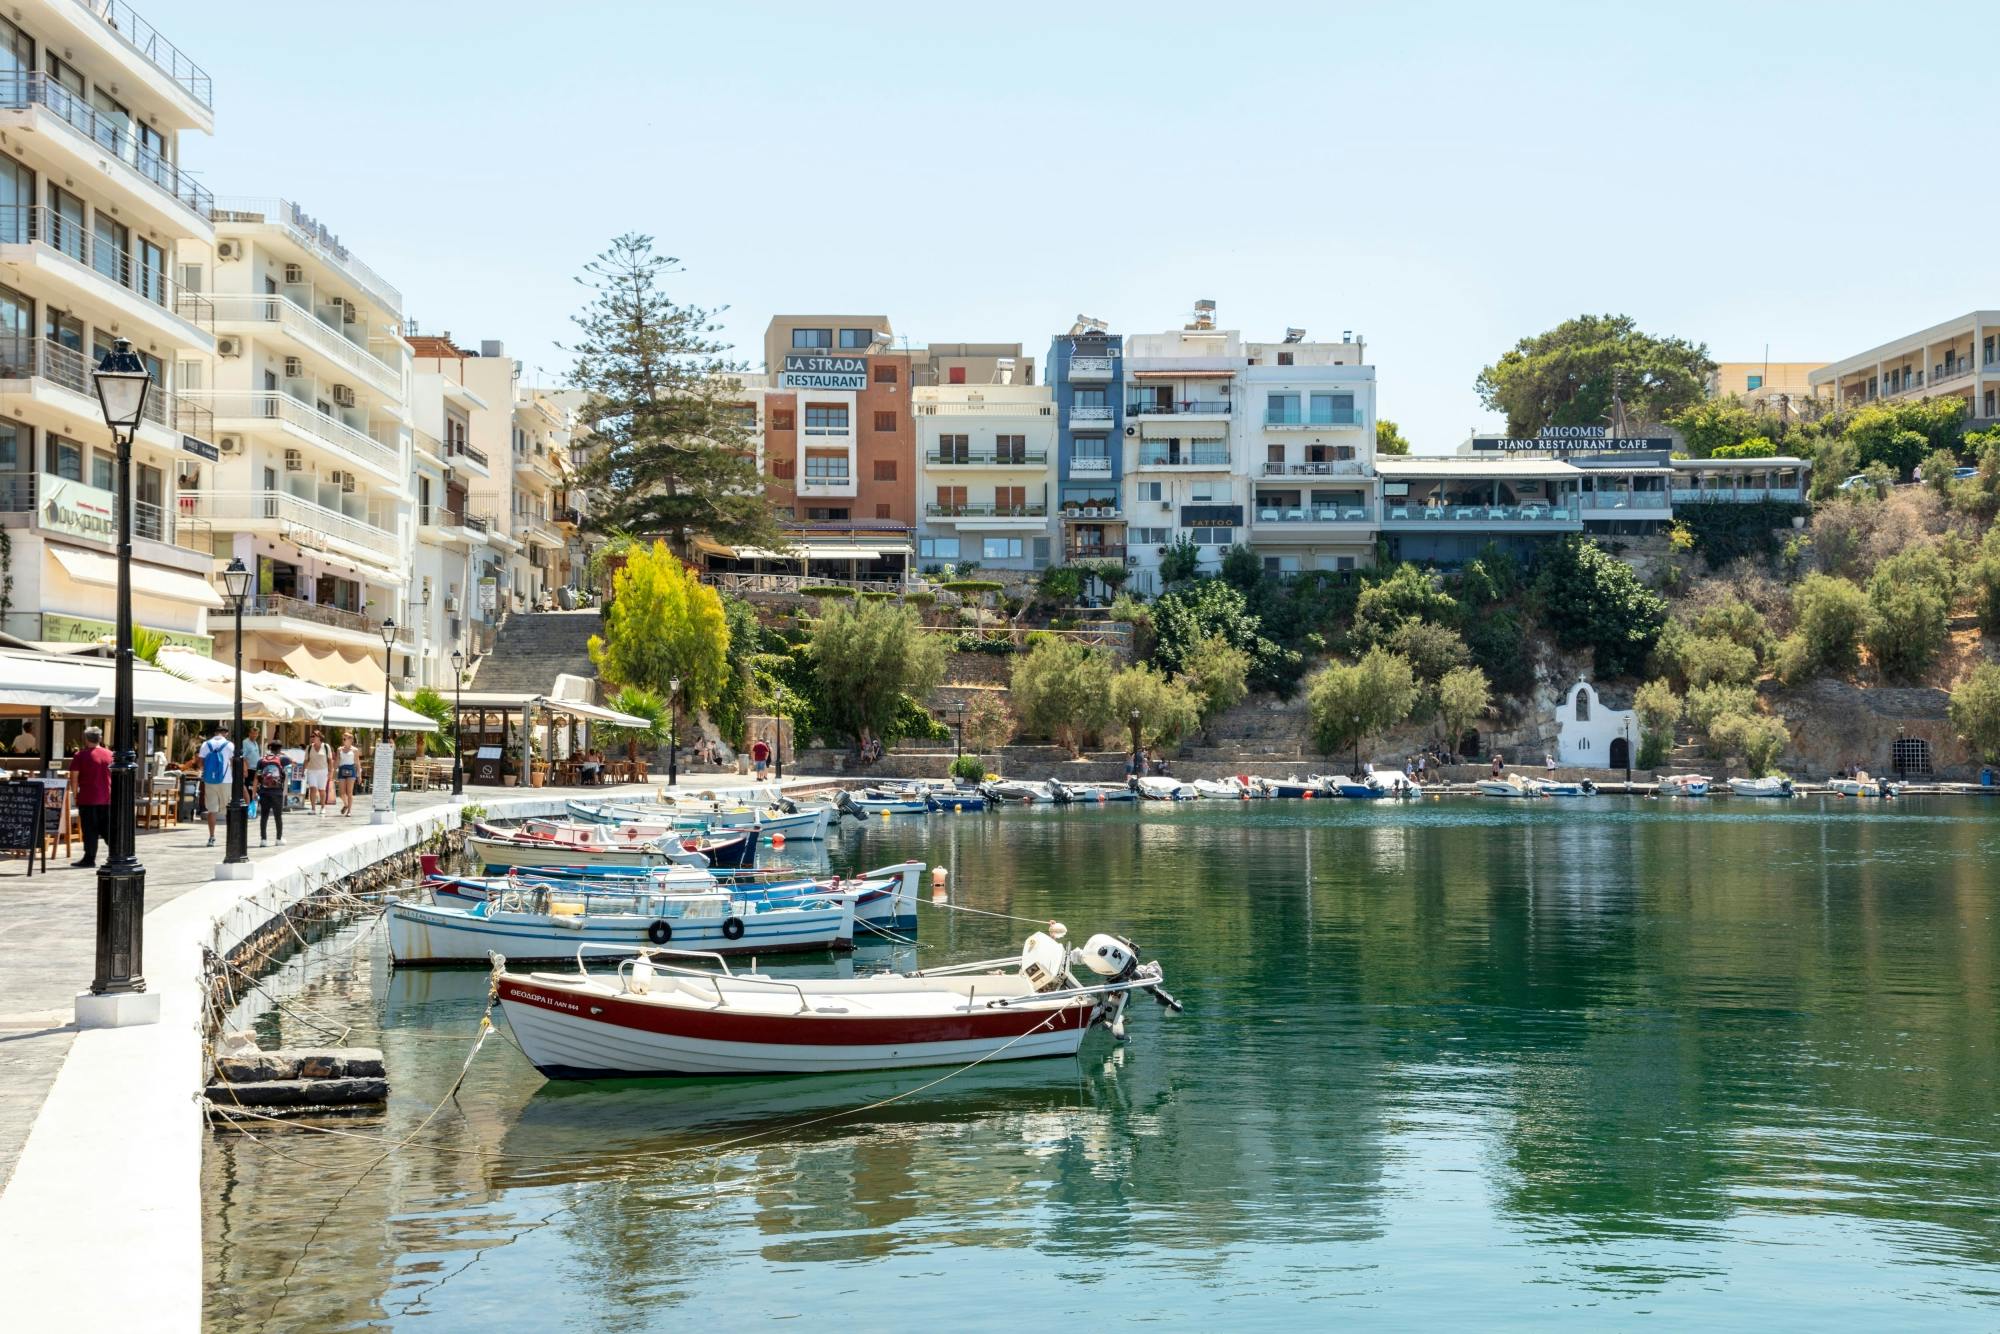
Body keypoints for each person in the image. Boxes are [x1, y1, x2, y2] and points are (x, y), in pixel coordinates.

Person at [67, 726, 112, 867]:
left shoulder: (80, 756)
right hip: (107, 798)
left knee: (90, 829)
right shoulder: (111, 755)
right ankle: (117, 853)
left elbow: (74, 777)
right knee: (107, 829)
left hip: (88, 798)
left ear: (86, 739)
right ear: (100, 738)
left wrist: (75, 795)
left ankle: (89, 858)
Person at [197, 723, 234, 848]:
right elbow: (233, 762)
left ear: (215, 733)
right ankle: (231, 837)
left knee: (211, 810)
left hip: (209, 780)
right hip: (225, 780)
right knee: (228, 809)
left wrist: (208, 771)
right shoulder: (229, 745)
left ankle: (212, 837)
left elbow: (200, 762)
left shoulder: (205, 744)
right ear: (226, 733)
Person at [254, 741, 289, 846]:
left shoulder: (261, 760)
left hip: (264, 792)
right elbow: (294, 761)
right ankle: (278, 839)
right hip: (277, 792)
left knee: (264, 816)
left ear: (270, 748)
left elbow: (257, 777)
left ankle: (263, 840)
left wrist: (254, 792)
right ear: (279, 749)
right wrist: (283, 755)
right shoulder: (282, 759)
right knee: (278, 816)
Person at [302, 729, 331, 816]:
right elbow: (306, 760)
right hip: (312, 770)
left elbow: (330, 760)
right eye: (311, 736)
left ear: (319, 737)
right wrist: (303, 770)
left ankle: (323, 807)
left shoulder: (326, 747)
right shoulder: (309, 747)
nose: (312, 738)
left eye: (313, 736)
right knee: (312, 789)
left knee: (322, 790)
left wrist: (331, 771)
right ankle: (313, 808)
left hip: (323, 770)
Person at [335, 731, 360, 816]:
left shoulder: (355, 750)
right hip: (342, 769)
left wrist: (359, 775)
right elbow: (337, 761)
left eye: (345, 738)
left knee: (349, 792)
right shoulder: (339, 749)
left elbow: (357, 763)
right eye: (343, 738)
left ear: (351, 739)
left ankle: (349, 811)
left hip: (351, 770)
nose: (343, 739)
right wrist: (333, 771)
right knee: (341, 793)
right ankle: (345, 804)